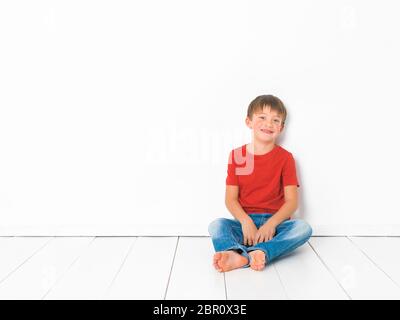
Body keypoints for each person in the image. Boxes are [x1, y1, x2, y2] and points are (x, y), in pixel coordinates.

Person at [208, 94, 312, 272]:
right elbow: (230, 199)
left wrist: (271, 224)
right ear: (249, 122)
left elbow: (292, 202)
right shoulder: (238, 156)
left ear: (281, 127)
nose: (268, 124)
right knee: (217, 225)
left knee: (303, 228)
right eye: (262, 117)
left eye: (275, 120)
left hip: (276, 224)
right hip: (245, 223)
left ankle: (258, 252)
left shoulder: (286, 158)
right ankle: (237, 253)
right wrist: (245, 222)